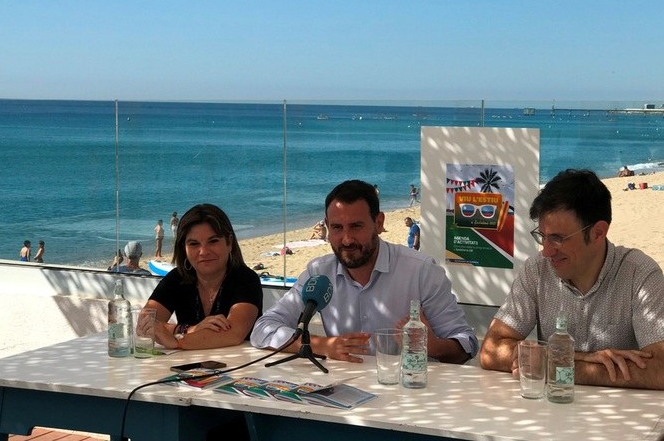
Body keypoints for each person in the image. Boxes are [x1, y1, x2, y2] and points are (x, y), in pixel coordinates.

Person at [251, 179, 477, 364]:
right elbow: (263, 329)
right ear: (327, 226)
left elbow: (466, 344)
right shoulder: (318, 273)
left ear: (379, 223)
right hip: (342, 391)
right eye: (337, 228)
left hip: (408, 391)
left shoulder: (421, 271)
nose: (346, 239)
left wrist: (433, 346)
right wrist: (321, 345)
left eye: (356, 226)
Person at [479, 169, 664, 390]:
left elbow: (661, 368)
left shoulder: (640, 274)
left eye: (557, 239)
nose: (546, 251)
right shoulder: (537, 269)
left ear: (598, 232)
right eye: (542, 237)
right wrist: (581, 358)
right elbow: (490, 350)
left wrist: (552, 365)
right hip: (550, 406)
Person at [145, 203, 263, 351]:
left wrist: (177, 341)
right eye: (194, 244)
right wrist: (191, 329)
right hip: (188, 363)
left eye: (213, 241)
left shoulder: (245, 279)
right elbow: (145, 325)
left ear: (230, 242)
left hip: (239, 363)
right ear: (184, 249)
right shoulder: (177, 278)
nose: (204, 251)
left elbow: (234, 334)